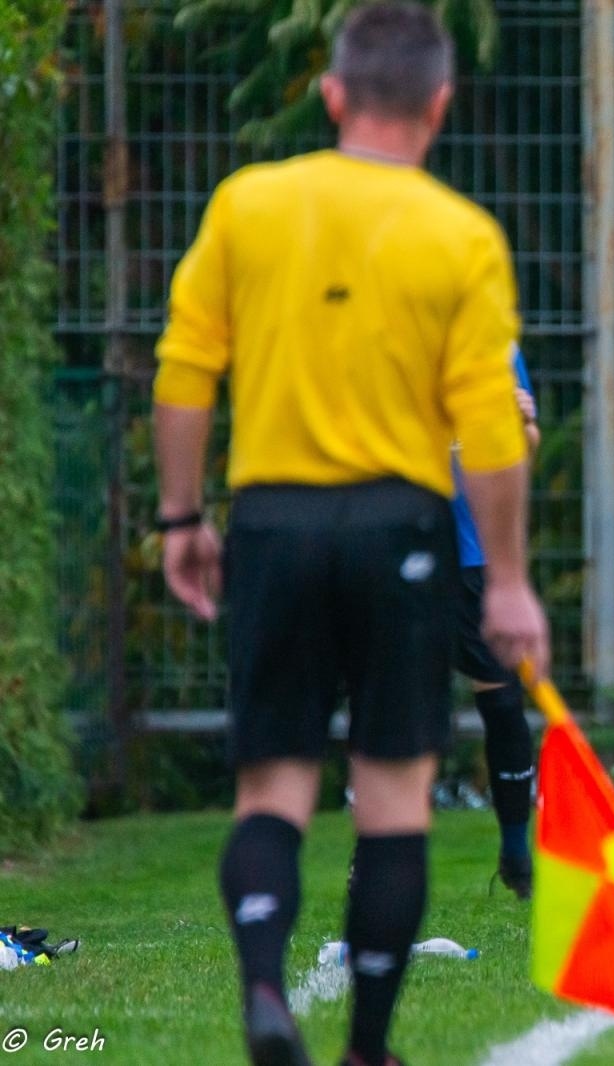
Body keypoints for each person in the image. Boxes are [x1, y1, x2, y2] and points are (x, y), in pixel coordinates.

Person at [152, 5, 549, 1065]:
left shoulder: (249, 204)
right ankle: (369, 1045)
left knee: (273, 786)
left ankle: (264, 997)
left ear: (330, 96)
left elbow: (184, 371)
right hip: (404, 531)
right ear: (439, 106)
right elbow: (493, 429)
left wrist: (182, 516)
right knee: (392, 796)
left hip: (273, 522)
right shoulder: (460, 235)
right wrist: (505, 579)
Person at [449, 343, 542, 900]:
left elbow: (525, 449)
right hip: (398, 547)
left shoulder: (496, 345)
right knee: (390, 707)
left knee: (503, 703)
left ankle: (515, 849)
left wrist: (516, 428)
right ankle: (372, 862)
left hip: (475, 556)